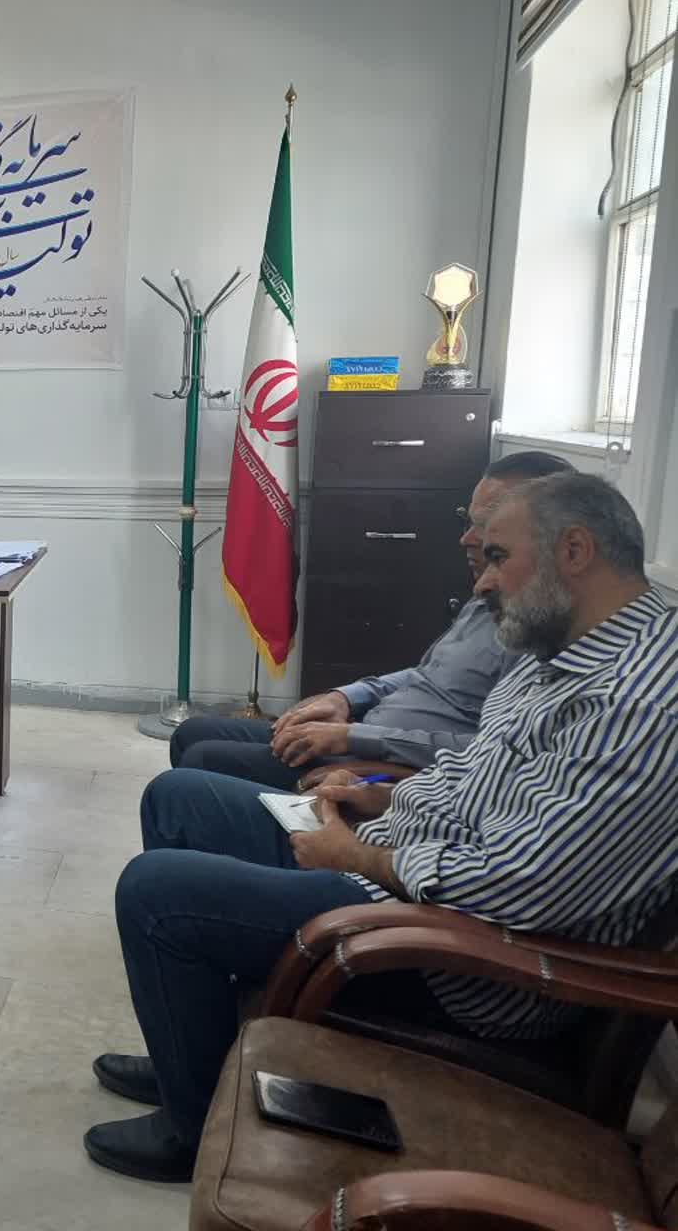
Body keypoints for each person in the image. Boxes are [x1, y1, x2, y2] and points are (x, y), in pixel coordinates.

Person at [87, 472, 678, 1182]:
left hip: (466, 956)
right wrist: (381, 797)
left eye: (497, 556)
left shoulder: (637, 703)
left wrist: (356, 857)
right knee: (180, 797)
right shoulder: (561, 648)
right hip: (417, 868)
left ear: (574, 550)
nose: (483, 580)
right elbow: (477, 774)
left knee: (156, 894)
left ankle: (192, 1130)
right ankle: (190, 1058)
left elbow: (524, 887)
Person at [170, 451, 577, 789]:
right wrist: (346, 698)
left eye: (485, 527)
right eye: (469, 522)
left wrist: (356, 739)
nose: (466, 539)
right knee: (192, 733)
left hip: (379, 765)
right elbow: (426, 675)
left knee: (195, 773)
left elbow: (489, 750)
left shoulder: (542, 632)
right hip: (362, 731)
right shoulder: (492, 593)